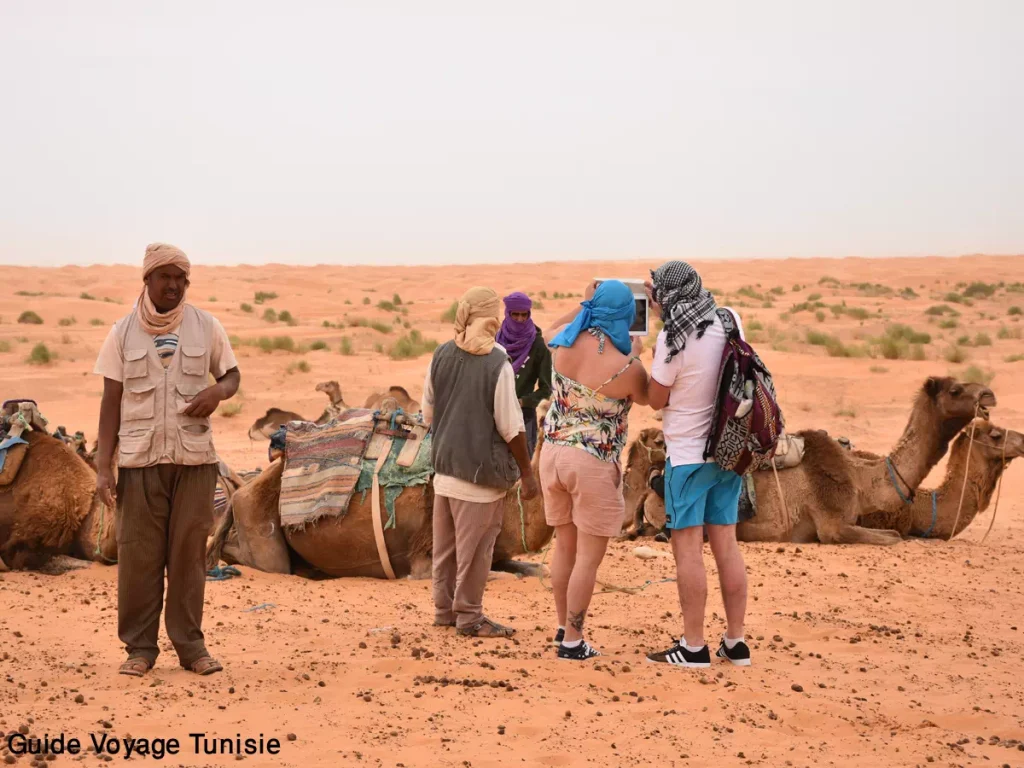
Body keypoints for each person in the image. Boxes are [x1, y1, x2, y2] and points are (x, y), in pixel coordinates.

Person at [93, 243, 240, 677]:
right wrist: (104, 466)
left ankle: (191, 648)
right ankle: (139, 649)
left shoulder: (206, 327)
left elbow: (231, 375)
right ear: (148, 280)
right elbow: (110, 401)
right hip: (140, 463)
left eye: (182, 279)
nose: (174, 286)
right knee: (139, 559)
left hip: (195, 461)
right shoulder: (122, 332)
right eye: (166, 277)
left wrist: (217, 392)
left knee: (188, 557)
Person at [643, 260, 751, 668]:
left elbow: (656, 400)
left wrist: (653, 355)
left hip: (687, 458)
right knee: (726, 544)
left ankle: (693, 647)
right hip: (727, 451)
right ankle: (736, 642)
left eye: (656, 294)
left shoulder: (673, 337)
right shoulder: (729, 318)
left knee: (687, 550)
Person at [422, 287, 540, 639]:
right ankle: (470, 617)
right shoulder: (496, 363)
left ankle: (444, 611)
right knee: (475, 554)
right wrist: (527, 472)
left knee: (445, 551)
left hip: (444, 472)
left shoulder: (441, 354)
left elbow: (428, 413)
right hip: (480, 479)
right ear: (491, 319)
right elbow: (511, 427)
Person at [542, 280, 650, 660]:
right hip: (591, 462)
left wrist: (582, 302)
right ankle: (573, 642)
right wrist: (640, 349)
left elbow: (548, 329)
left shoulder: (562, 345)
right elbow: (653, 399)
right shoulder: (628, 367)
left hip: (552, 455)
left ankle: (562, 628)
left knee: (564, 550)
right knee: (588, 558)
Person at [495, 292, 552, 456]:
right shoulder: (495, 341)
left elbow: (546, 389)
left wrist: (522, 402)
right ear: (508, 313)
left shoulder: (538, 345)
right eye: (515, 314)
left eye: (524, 314)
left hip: (523, 418)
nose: (520, 319)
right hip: (495, 415)